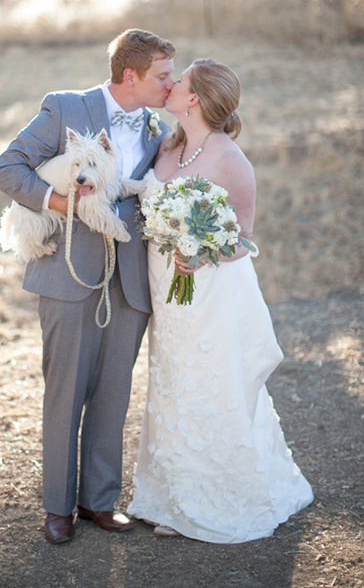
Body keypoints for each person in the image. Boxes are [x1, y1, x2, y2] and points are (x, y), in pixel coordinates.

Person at [0, 29, 175, 544]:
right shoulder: (64, 108)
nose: (172, 84)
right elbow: (6, 171)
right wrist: (66, 204)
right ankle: (57, 507)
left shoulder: (160, 127)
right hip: (68, 275)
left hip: (131, 282)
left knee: (114, 395)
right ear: (131, 75)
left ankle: (99, 501)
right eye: (163, 75)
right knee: (65, 394)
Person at [128, 58, 314, 543]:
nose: (170, 85)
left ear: (194, 99)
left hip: (209, 294)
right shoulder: (168, 145)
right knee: (171, 382)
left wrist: (201, 249)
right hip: (166, 295)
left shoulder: (232, 160)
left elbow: (245, 239)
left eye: (180, 81)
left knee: (207, 383)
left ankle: (207, 498)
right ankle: (167, 492)